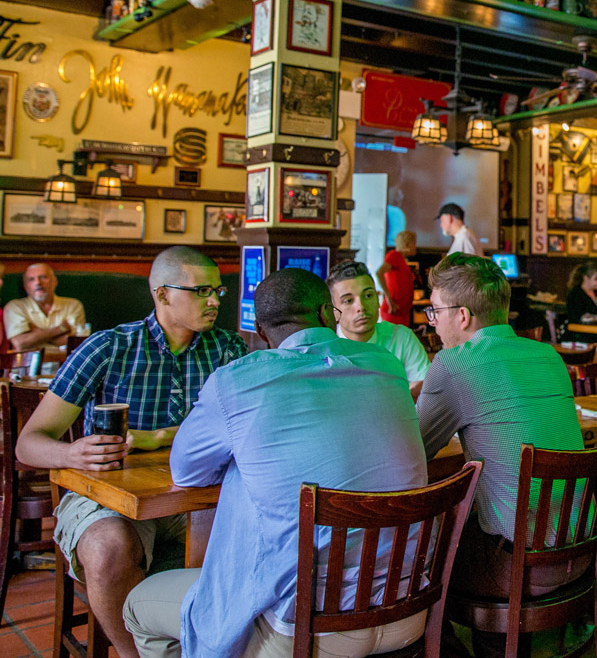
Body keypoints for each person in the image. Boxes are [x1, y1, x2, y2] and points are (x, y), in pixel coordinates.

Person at [122, 268, 429, 658]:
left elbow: (186, 471)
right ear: (327, 313)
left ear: (263, 333)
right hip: (407, 609)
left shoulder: (236, 381)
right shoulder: (386, 364)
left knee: (138, 606)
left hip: (305, 630)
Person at [15, 247, 245, 658]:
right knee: (109, 546)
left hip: (198, 497)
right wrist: (72, 454)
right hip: (107, 497)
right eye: (202, 291)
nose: (214, 301)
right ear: (162, 294)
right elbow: (29, 442)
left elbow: (242, 430)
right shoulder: (109, 348)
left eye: (218, 291)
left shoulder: (229, 350)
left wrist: (157, 438)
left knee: (255, 534)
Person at [417, 252, 585, 601]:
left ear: (462, 316)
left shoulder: (453, 364)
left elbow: (413, 452)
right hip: (582, 550)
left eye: (434, 310)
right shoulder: (548, 355)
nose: (431, 322)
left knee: (417, 566)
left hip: (518, 566)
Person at [327, 258, 430, 399]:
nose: (361, 307)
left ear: (378, 300)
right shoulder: (325, 346)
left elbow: (425, 388)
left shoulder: (401, 338)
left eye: (368, 296)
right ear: (333, 310)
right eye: (348, 301)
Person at [4, 262, 86, 350]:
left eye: (43, 277)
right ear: (25, 286)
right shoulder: (15, 307)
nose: (38, 283)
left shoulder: (73, 305)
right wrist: (61, 329)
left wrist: (37, 333)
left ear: (54, 281)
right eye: (31, 279)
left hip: (66, 362)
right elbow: (20, 343)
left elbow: (76, 343)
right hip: (30, 363)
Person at [376, 229, 418, 325]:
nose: (415, 247)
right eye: (414, 243)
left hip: (402, 311)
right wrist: (389, 300)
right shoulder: (394, 255)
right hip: (394, 311)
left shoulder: (402, 260)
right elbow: (379, 273)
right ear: (407, 244)